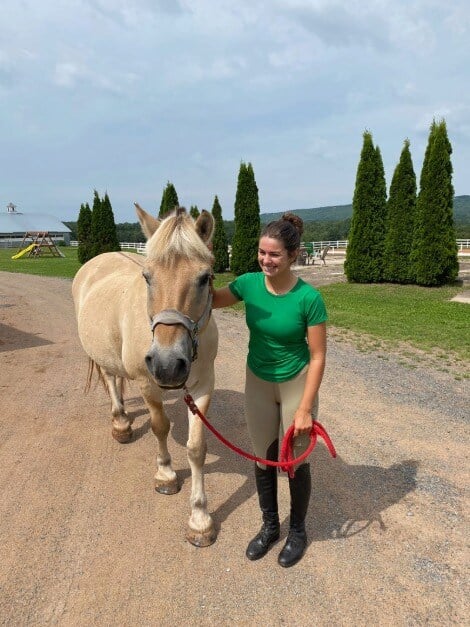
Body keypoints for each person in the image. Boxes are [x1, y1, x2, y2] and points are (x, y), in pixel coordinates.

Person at [212, 213, 327, 567]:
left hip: (295, 381)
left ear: (293, 254)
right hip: (257, 381)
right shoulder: (248, 284)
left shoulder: (309, 298)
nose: (266, 260)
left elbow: (318, 356)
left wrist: (305, 409)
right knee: (263, 456)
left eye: (274, 254)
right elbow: (210, 300)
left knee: (294, 460)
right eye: (262, 253)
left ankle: (297, 531)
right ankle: (269, 527)